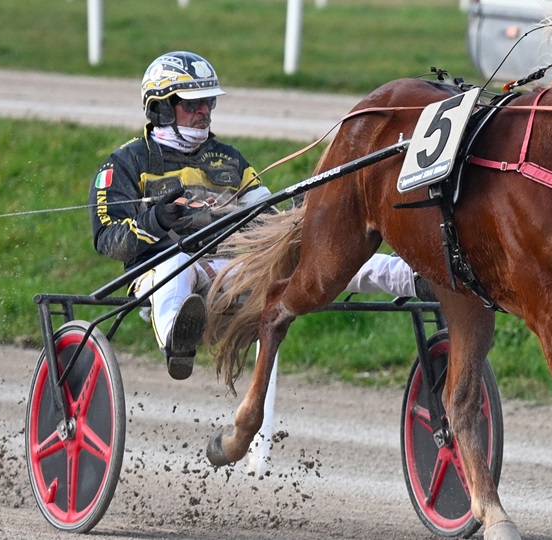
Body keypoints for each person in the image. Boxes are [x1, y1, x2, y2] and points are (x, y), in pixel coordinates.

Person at [88, 51, 430, 381]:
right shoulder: (125, 163)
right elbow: (107, 239)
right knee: (177, 265)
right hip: (161, 273)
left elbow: (266, 216)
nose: (205, 112)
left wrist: (296, 221)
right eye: (193, 104)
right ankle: (179, 340)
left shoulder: (229, 159)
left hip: (232, 268)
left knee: (327, 254)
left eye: (209, 102)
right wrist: (157, 220)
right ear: (161, 108)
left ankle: (416, 278)